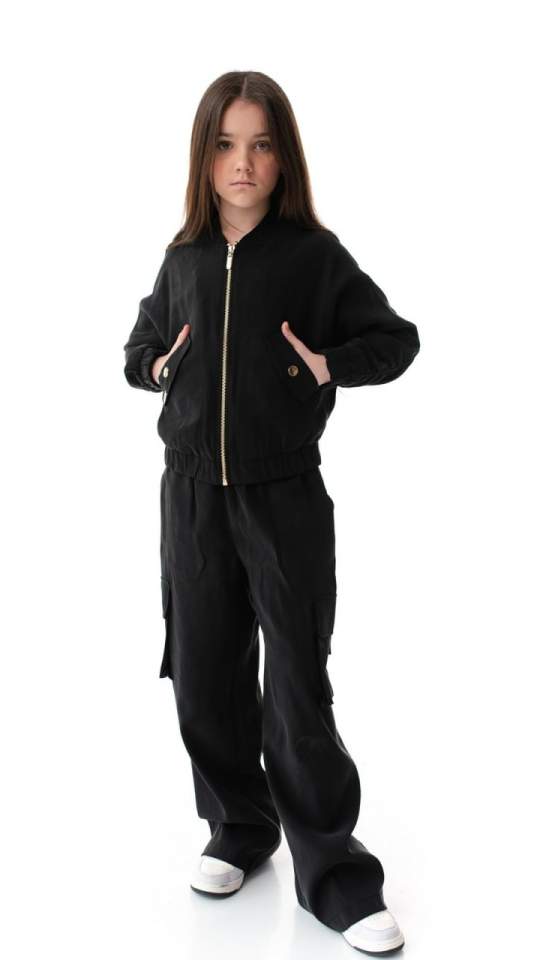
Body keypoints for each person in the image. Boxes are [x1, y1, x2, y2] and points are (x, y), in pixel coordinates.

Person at [123, 70, 420, 956]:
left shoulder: (312, 257)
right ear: (203, 157)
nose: (242, 164)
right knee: (205, 675)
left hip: (283, 494)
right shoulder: (182, 257)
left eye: (259, 145)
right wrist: (157, 367)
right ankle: (240, 829)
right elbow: (138, 347)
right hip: (190, 496)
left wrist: (329, 365)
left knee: (295, 684)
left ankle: (334, 874)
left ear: (283, 156)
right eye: (225, 145)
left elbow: (395, 339)